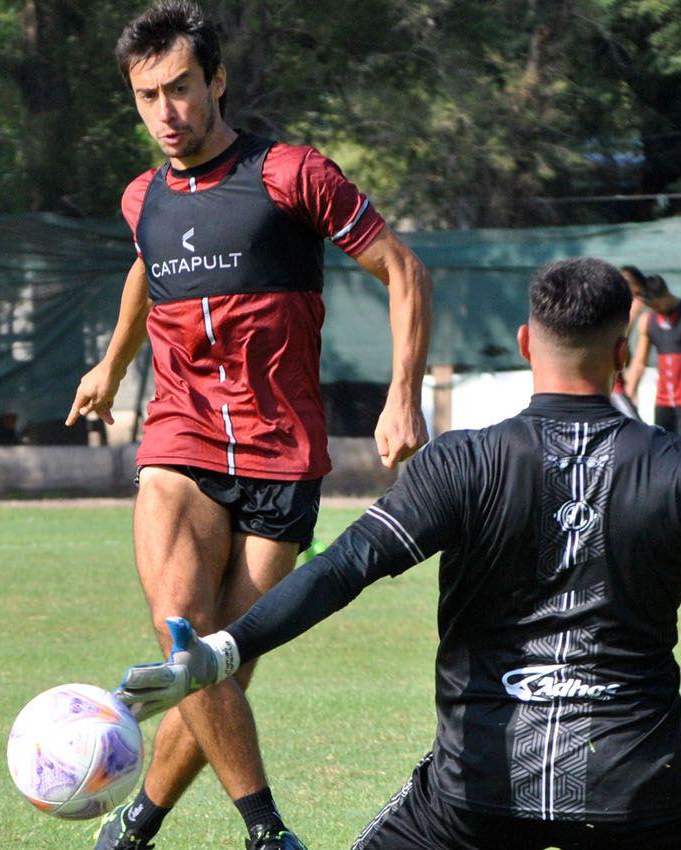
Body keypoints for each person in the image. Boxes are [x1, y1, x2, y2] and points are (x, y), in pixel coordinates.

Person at [123, 258, 681, 850]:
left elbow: (341, 572)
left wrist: (222, 651)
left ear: (522, 342)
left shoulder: (459, 462)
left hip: (469, 802)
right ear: (623, 351)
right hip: (640, 802)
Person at [65, 3, 432, 849]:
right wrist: (114, 365)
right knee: (182, 633)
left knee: (220, 664)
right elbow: (146, 268)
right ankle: (267, 831)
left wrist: (402, 393)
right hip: (180, 440)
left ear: (217, 81)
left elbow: (402, 269)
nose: (166, 112)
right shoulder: (141, 197)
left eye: (182, 89)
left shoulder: (290, 176)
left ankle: (137, 824)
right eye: (148, 95)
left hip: (282, 455)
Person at [621, 272, 681, 441]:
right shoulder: (648, 320)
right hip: (664, 401)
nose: (654, 309)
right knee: (664, 453)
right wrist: (630, 391)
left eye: (655, 304)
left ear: (665, 294)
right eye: (649, 306)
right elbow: (639, 362)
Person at [607, 266, 650, 419]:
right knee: (635, 428)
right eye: (637, 294)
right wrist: (633, 313)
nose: (641, 301)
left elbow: (633, 359)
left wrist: (632, 388)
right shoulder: (607, 307)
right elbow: (615, 340)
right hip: (605, 386)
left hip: (614, 384)